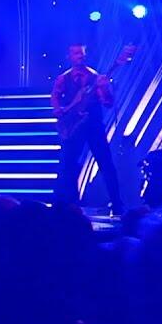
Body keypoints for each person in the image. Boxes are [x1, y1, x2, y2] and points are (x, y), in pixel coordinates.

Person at [50, 44, 125, 215]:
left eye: (82, 53)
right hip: (74, 126)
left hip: (93, 126)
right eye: (76, 53)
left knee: (106, 164)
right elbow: (55, 96)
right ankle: (68, 204)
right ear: (69, 56)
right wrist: (59, 110)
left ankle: (117, 204)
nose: (80, 56)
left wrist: (104, 88)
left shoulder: (95, 77)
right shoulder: (63, 78)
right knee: (68, 165)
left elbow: (108, 103)